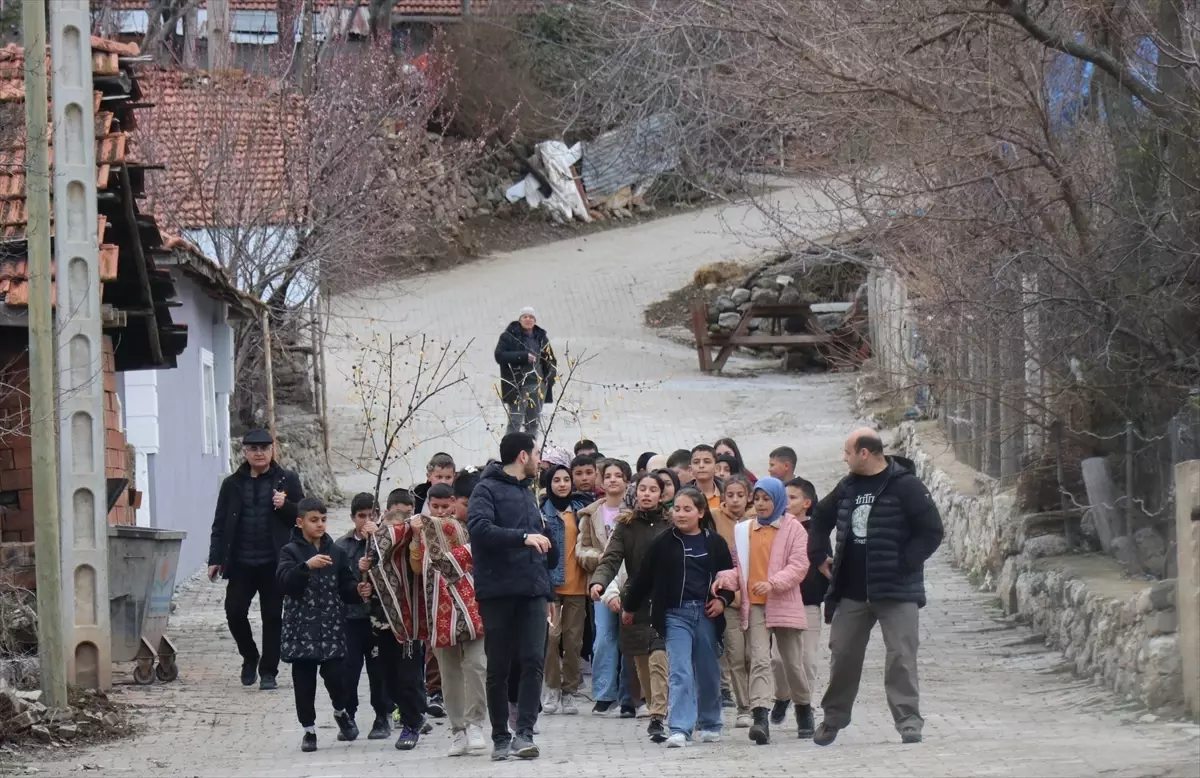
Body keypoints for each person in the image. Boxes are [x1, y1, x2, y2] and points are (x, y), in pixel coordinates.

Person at [808, 428, 944, 747]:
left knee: (901, 656)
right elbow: (820, 517)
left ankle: (908, 721)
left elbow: (932, 531)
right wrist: (819, 555)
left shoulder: (906, 486)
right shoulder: (847, 486)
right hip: (851, 591)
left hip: (897, 591)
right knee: (842, 655)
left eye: (847, 452)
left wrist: (905, 562)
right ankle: (833, 719)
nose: (844, 458)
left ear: (864, 453)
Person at [467, 432, 558, 761]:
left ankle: (525, 734)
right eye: (537, 453)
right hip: (498, 592)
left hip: (533, 591)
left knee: (534, 661)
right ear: (523, 456)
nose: (540, 460)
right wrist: (523, 537)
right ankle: (500, 737)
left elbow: (541, 545)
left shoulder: (529, 492)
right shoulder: (485, 489)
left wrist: (549, 593)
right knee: (499, 666)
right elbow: (479, 530)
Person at [623, 487, 736, 748]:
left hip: (706, 614)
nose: (681, 514)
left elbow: (729, 578)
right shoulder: (663, 543)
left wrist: (722, 600)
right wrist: (630, 607)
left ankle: (710, 723)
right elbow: (643, 577)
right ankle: (680, 728)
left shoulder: (715, 542)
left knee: (708, 671)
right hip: (675, 614)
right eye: (677, 509)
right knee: (680, 671)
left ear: (701, 512)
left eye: (688, 509)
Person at [207, 428, 305, 690]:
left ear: (272, 450)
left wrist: (286, 506)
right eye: (253, 449)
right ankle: (250, 656)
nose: (259, 453)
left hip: (274, 563)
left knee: (272, 617)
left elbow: (304, 517)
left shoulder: (287, 479)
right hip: (241, 563)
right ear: (245, 452)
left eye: (264, 448)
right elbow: (220, 523)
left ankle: (269, 671)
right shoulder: (232, 484)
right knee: (234, 612)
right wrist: (215, 558)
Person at [716, 477, 810, 746]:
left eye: (766, 499)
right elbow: (741, 569)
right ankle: (760, 718)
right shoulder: (744, 530)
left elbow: (799, 565)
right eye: (756, 499)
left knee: (791, 663)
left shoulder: (794, 529)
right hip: (755, 604)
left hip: (784, 602)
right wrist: (725, 579)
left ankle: (803, 708)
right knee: (758, 658)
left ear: (778, 500)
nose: (760, 504)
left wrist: (773, 583)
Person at [589, 472, 672, 743]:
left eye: (652, 490)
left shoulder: (672, 523)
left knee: (659, 656)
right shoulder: (625, 525)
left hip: (666, 601)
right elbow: (611, 558)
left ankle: (658, 716)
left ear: (662, 494)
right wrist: (599, 582)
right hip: (635, 601)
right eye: (642, 489)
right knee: (642, 664)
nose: (646, 494)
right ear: (635, 494)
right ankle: (655, 706)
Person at [409, 482, 489, 757]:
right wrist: (416, 538)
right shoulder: (421, 529)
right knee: (449, 673)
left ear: (453, 503)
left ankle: (475, 723)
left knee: (476, 664)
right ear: (428, 505)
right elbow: (416, 568)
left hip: (471, 605)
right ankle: (458, 731)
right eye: (436, 506)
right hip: (438, 608)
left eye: (446, 506)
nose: (441, 511)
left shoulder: (466, 528)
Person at [277, 498, 362, 752]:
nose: (320, 525)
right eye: (314, 520)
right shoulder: (289, 551)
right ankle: (309, 730)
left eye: (323, 520)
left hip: (331, 629)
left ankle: (340, 711)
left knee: (337, 678)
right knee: (304, 684)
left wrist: (358, 591)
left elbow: (346, 586)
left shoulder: (337, 552)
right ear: (300, 522)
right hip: (300, 630)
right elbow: (284, 582)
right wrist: (306, 566)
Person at [360, 505, 431, 751]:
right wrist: (363, 579)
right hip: (382, 625)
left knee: (407, 678)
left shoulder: (410, 550)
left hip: (407, 627)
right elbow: (367, 588)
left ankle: (411, 724)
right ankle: (415, 715)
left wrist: (410, 534)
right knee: (388, 679)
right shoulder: (375, 554)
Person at [766, 476, 828, 738]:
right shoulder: (774, 528)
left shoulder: (817, 531)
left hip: (808, 602)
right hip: (781, 601)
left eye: (793, 498)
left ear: (807, 503)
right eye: (785, 497)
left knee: (807, 659)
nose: (787, 502)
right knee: (779, 659)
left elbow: (825, 565)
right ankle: (782, 696)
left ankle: (806, 707)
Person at [575, 458, 632, 715]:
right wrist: (605, 558)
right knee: (604, 638)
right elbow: (581, 550)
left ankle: (631, 694)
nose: (612, 480)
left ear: (627, 481)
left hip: (631, 580)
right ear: (601, 481)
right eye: (608, 475)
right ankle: (604, 693)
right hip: (602, 582)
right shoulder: (590, 514)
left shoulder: (635, 511)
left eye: (618, 475)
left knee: (630, 637)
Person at [335, 493, 392, 741]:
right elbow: (339, 580)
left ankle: (382, 716)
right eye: (361, 516)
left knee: (379, 670)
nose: (366, 520)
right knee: (349, 669)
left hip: (377, 617)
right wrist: (358, 578)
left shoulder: (386, 541)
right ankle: (348, 714)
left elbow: (393, 572)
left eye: (372, 515)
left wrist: (377, 547)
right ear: (352, 517)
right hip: (351, 618)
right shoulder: (342, 546)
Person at [539, 464, 593, 715]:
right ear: (549, 484)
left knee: (573, 642)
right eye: (557, 480)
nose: (562, 484)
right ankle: (551, 687)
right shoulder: (540, 513)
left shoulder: (582, 511)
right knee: (551, 638)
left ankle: (569, 691)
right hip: (551, 586)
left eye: (566, 479)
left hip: (577, 586)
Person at [714, 474, 753, 727]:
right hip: (729, 599)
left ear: (749, 497)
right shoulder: (715, 518)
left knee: (755, 655)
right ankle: (744, 707)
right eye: (730, 495)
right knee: (736, 655)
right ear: (723, 497)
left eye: (740, 495)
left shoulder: (758, 520)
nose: (735, 500)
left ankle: (760, 701)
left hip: (756, 598)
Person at [495, 308, 557, 438]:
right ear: (520, 320)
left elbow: (550, 360)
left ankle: (530, 449)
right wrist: (523, 356)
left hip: (538, 386)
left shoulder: (541, 337)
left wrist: (549, 378)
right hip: (517, 386)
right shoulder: (508, 336)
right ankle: (510, 448)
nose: (528, 319)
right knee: (515, 422)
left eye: (531, 317)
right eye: (525, 317)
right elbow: (499, 356)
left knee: (533, 423)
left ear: (535, 320)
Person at [689, 444, 723, 513]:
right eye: (696, 462)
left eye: (707, 462)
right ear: (690, 469)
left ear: (716, 468)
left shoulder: (727, 492)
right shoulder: (682, 494)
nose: (701, 466)